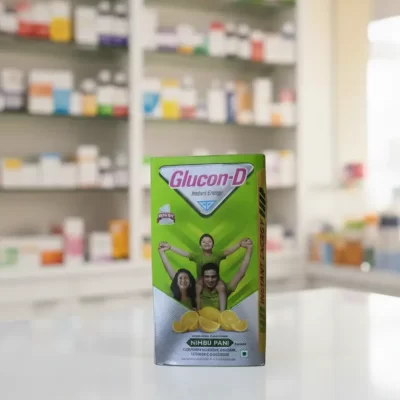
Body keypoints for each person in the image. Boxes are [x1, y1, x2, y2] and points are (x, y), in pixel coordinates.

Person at [162, 234, 249, 311]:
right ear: (200, 246)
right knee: (197, 286)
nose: (207, 243)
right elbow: (184, 253)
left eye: (209, 241)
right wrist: (170, 247)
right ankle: (198, 309)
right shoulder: (197, 256)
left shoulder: (217, 255)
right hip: (201, 281)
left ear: (213, 245)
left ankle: (223, 312)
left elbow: (228, 251)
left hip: (216, 281)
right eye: (204, 242)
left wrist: (239, 245)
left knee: (221, 287)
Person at [199, 238, 253, 310]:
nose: (210, 280)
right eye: (207, 277)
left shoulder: (224, 290)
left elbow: (241, 273)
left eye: (213, 277)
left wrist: (249, 249)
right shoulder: (197, 291)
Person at [158, 242, 197, 310]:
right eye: (180, 278)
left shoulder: (196, 297)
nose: (183, 280)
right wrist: (161, 252)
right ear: (176, 281)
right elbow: (168, 267)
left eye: (186, 278)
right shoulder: (173, 299)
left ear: (190, 282)